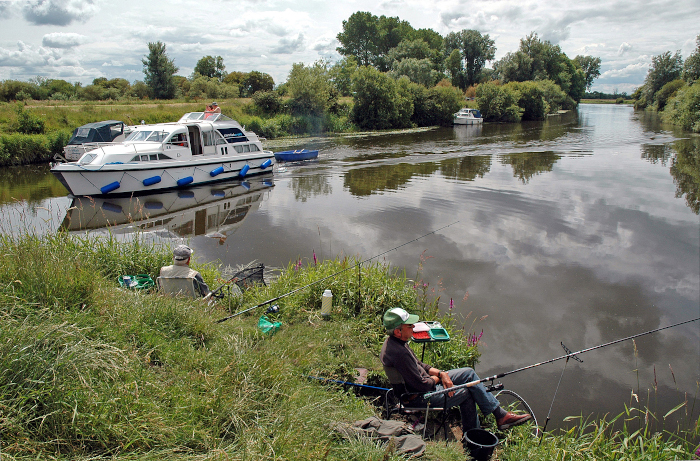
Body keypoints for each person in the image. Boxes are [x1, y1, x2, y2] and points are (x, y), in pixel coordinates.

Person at [380, 307, 531, 438]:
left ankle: (500, 415)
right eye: (409, 325)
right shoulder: (399, 353)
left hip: (427, 383)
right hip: (418, 397)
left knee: (468, 373)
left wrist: (442, 374)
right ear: (398, 331)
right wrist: (438, 379)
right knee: (466, 393)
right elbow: (423, 386)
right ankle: (472, 437)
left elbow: (420, 364)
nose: (413, 327)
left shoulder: (398, 342)